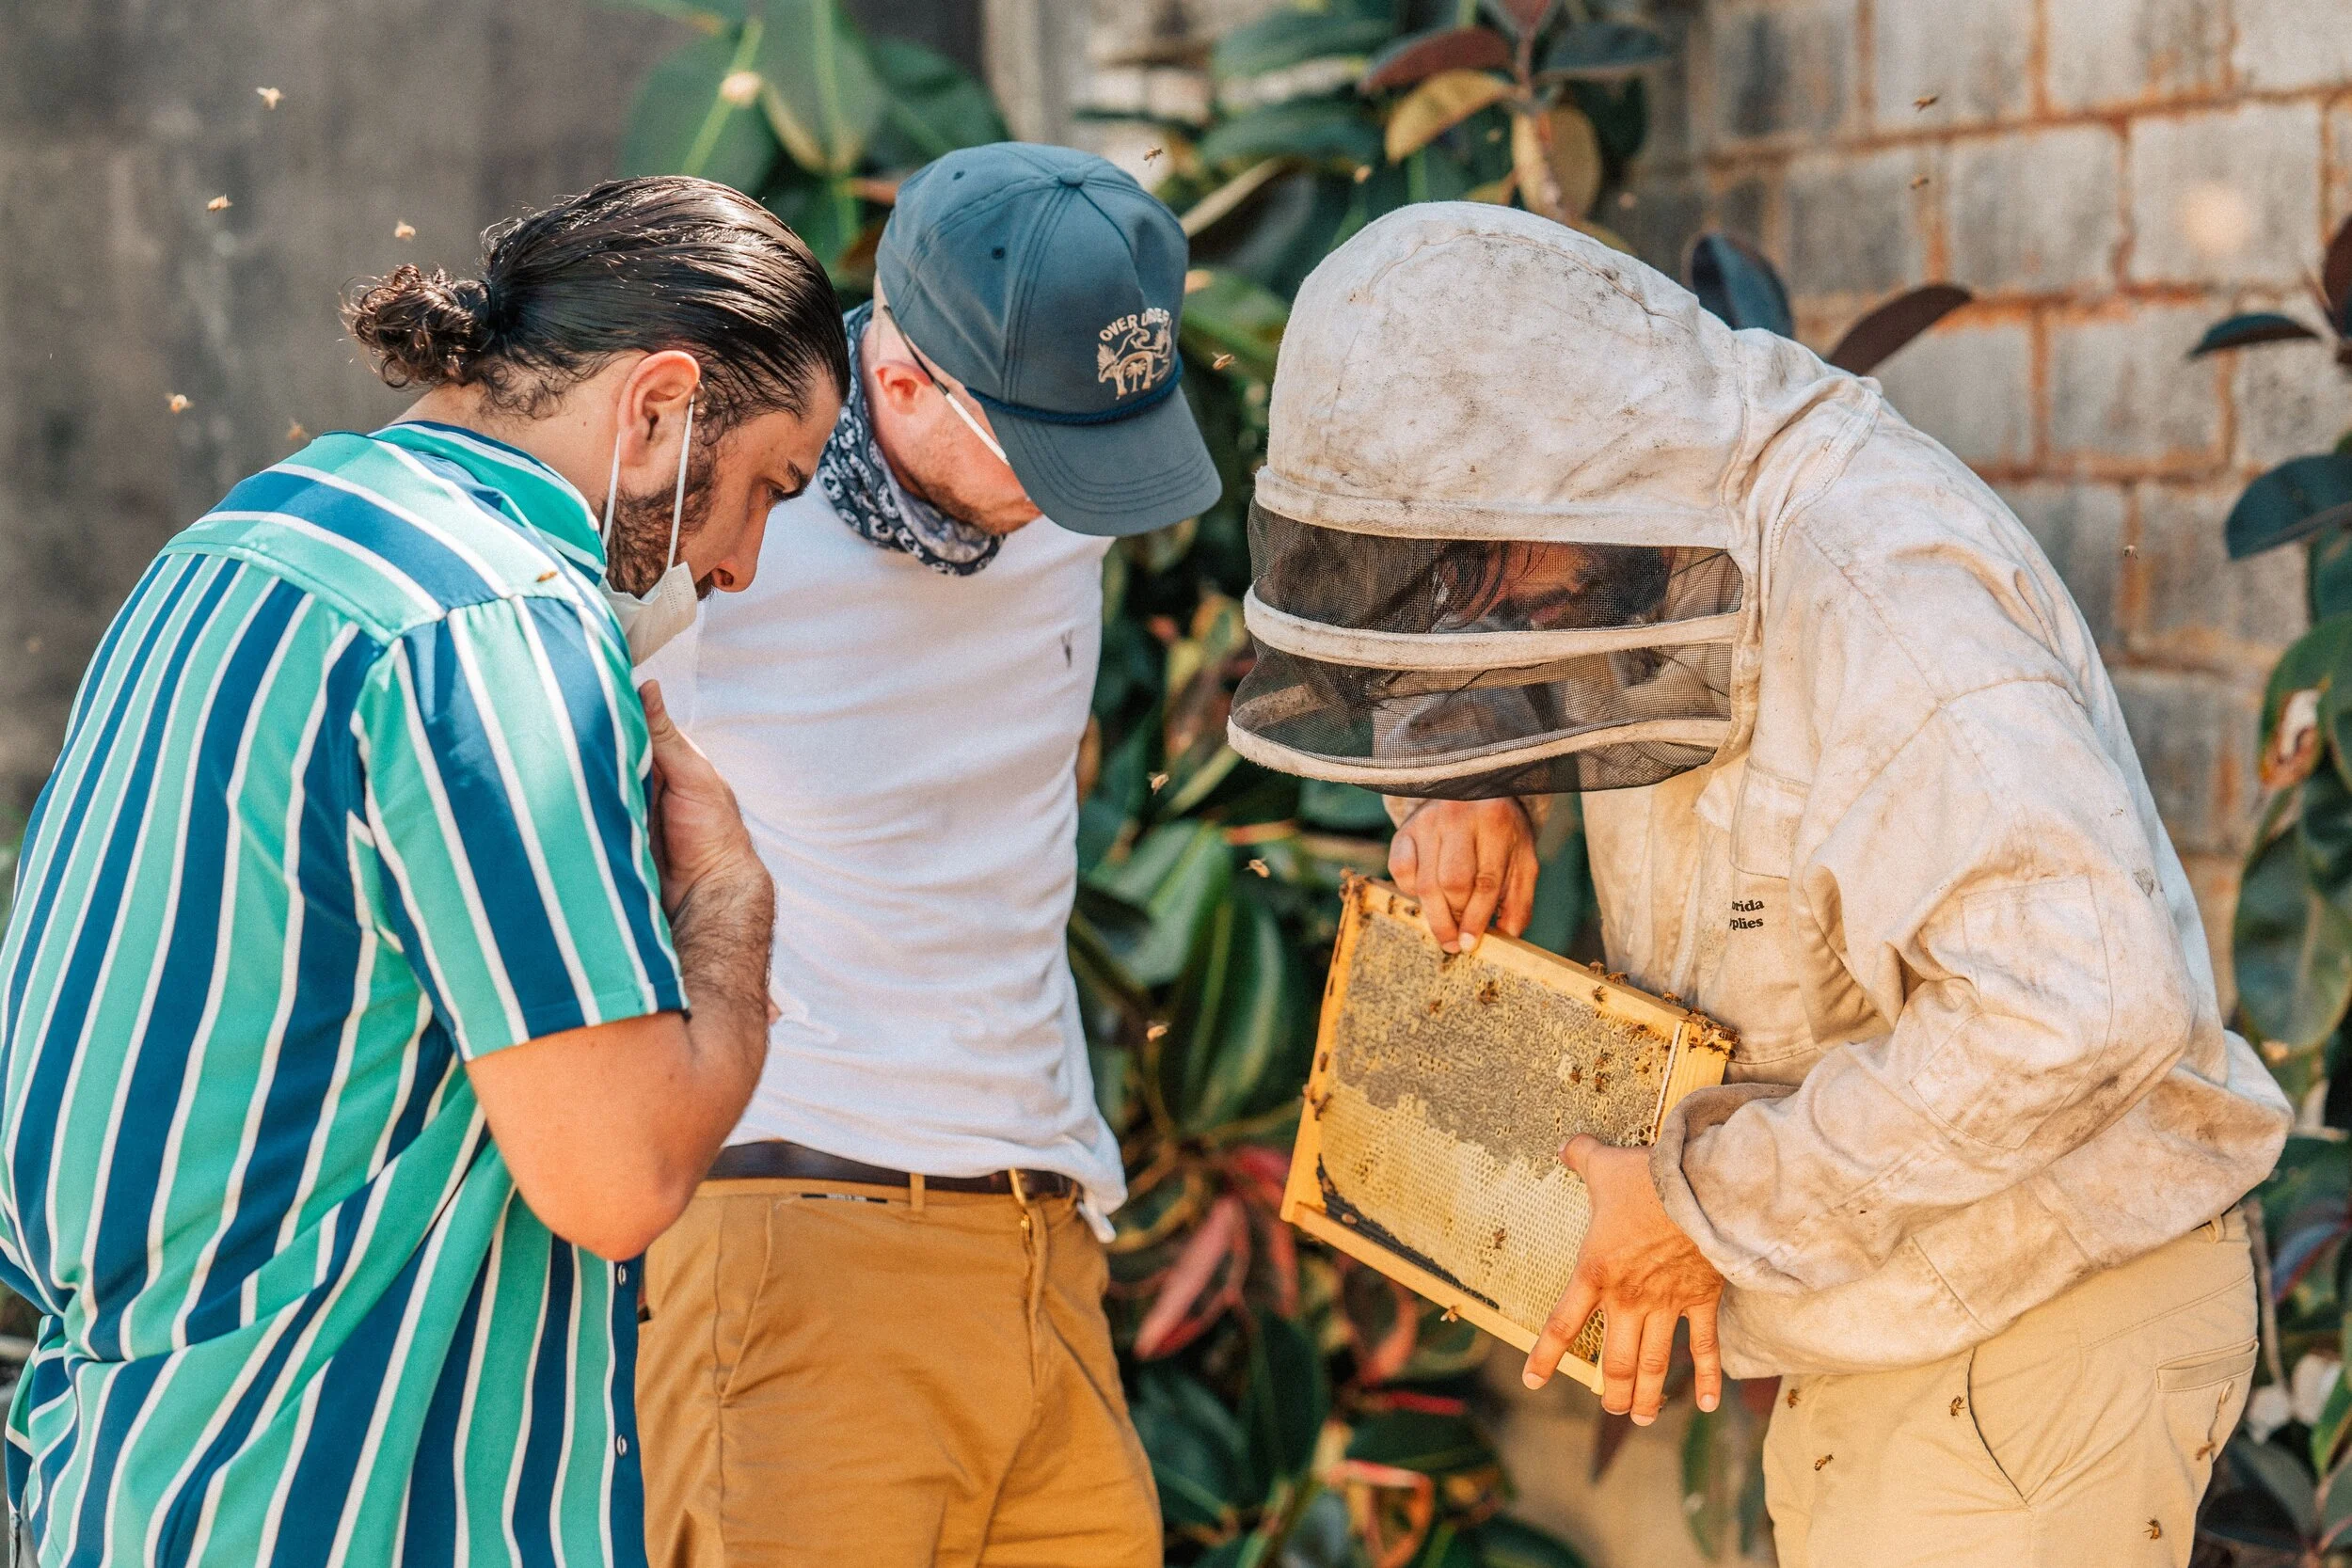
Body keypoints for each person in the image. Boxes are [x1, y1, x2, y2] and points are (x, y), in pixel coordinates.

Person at [1227, 202, 2293, 1566]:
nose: (1478, 621)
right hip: (1915, 1331)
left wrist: (1699, 1205)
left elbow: (2082, 1001)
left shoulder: (1883, 592)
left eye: (1484, 575)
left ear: (1576, 456)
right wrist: (1464, 779)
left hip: (2033, 1345)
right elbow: (1572, 629)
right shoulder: (1646, 543)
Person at [627, 141, 1534, 1568]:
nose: (1080, 502)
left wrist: (1445, 758)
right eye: (1046, 456)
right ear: (905, 375)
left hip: (1047, 1247)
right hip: (785, 1244)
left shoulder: (1051, 416)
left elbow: (1344, 556)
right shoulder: (708, 514)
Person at [0, 176, 847, 1568]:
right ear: (656, 412)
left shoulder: (229, 549)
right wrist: (730, 912)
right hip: (352, 1506)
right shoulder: (497, 620)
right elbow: (620, 1173)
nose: (743, 562)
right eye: (761, 489)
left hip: (125, 1471)